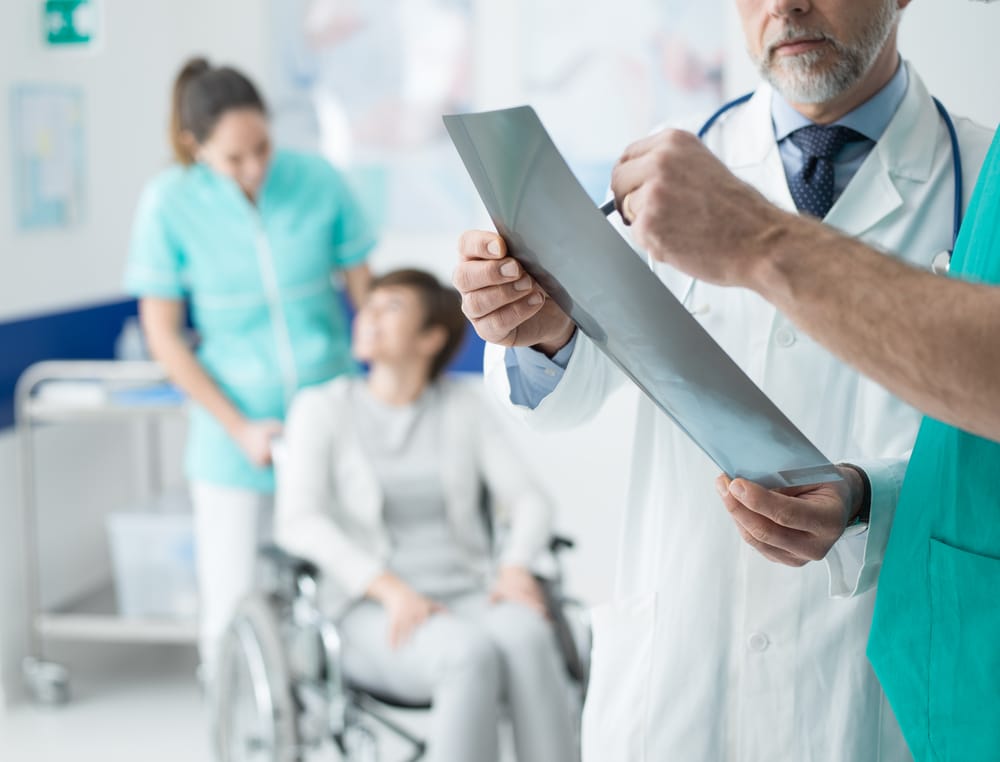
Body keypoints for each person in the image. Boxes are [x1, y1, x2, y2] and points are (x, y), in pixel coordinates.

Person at [452, 1, 995, 759]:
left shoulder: (981, 180)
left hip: (864, 687)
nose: (784, 4)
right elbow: (564, 402)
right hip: (676, 683)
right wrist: (543, 332)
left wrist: (869, 499)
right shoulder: (673, 170)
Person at [123, 58, 376, 683]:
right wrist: (238, 426)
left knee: (347, 586)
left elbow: (370, 304)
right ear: (195, 146)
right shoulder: (169, 203)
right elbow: (164, 336)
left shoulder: (317, 179)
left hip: (329, 410)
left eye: (262, 147)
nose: (256, 168)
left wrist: (381, 384)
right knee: (231, 600)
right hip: (231, 426)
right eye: (235, 158)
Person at [274, 269, 579, 762]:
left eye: (390, 307)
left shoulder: (462, 406)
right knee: (465, 654)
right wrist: (390, 590)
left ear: (431, 337)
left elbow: (530, 499)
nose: (369, 315)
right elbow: (298, 521)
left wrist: (515, 566)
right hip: (371, 609)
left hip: (470, 591)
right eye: (369, 305)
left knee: (527, 635)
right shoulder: (321, 409)